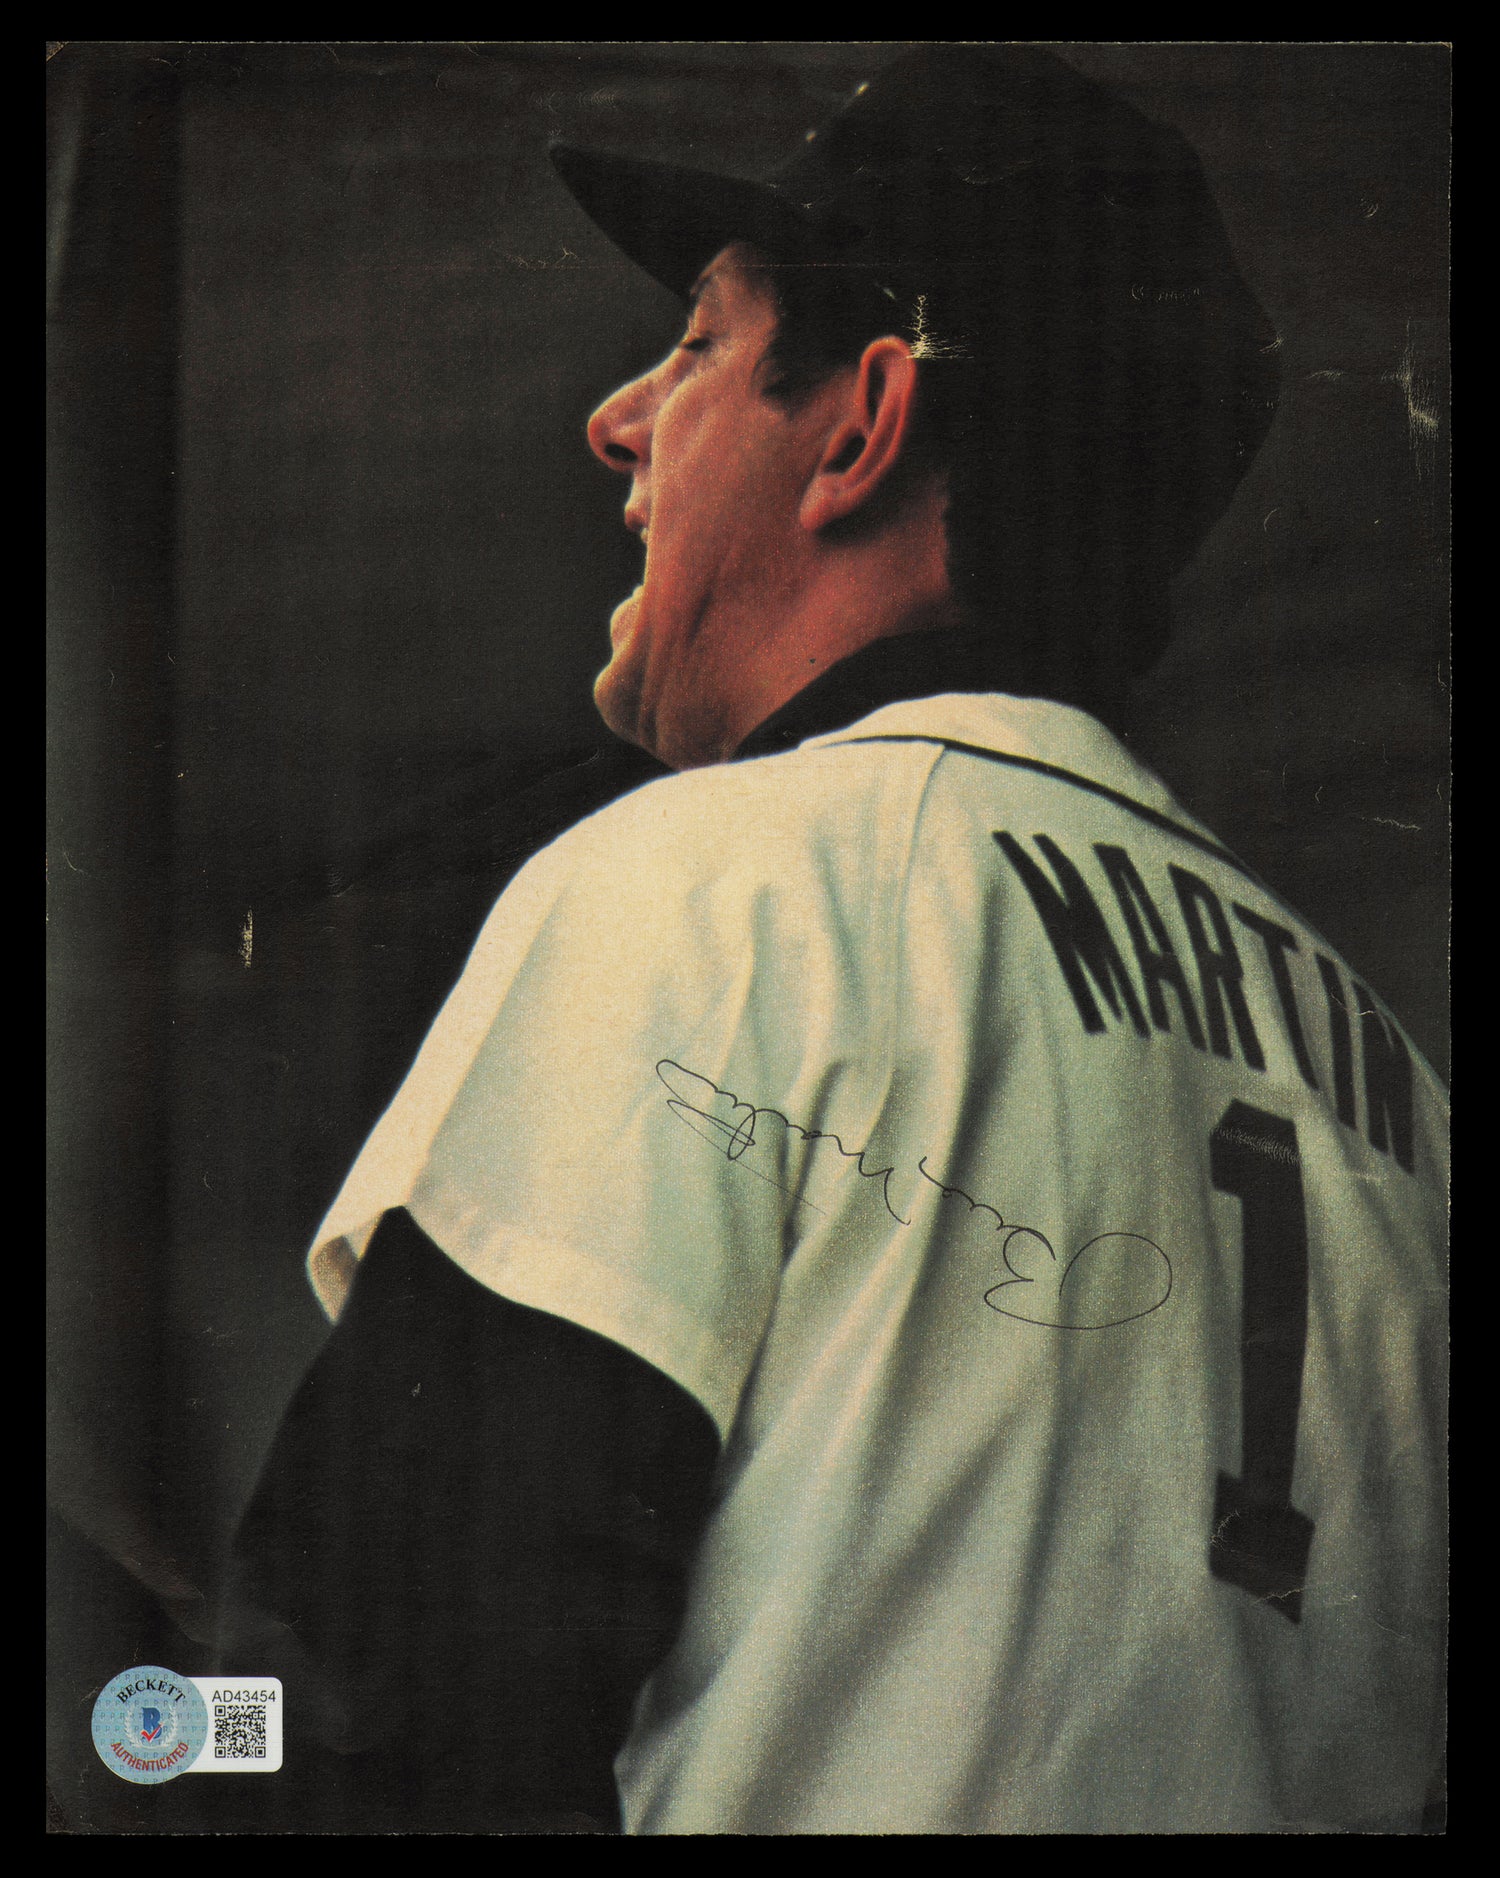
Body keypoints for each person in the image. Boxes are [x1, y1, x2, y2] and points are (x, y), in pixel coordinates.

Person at [225, 46, 1447, 1834]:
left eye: (697, 345)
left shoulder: (720, 887)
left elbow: (370, 1704)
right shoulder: (1407, 1112)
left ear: (864, 427)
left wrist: (134, 1729)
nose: (620, 419)